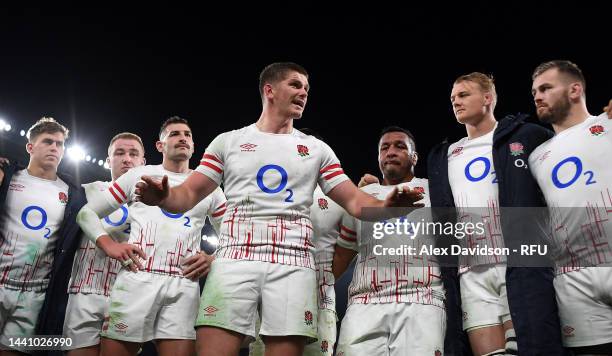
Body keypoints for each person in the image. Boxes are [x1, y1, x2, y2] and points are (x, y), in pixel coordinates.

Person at [134, 62, 424, 356]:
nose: (303, 93)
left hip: (292, 262)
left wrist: (386, 206)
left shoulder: (316, 150)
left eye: (307, 89)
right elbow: (186, 196)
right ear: (269, 90)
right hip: (235, 257)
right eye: (295, 85)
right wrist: (163, 197)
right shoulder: (229, 142)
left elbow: (353, 200)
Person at [427, 73, 565, 355]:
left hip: (516, 264)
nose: (456, 101)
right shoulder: (445, 154)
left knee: (530, 347)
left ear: (488, 98)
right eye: (453, 98)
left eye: (464, 95)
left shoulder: (526, 136)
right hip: (470, 272)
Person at [76, 117, 226, 356]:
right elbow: (86, 213)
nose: (182, 138)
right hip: (138, 278)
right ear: (160, 145)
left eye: (187, 134)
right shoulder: (140, 174)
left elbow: (233, 235)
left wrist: (213, 259)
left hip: (184, 284)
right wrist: (110, 246)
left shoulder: (210, 188)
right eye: (175, 134)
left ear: (194, 145)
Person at [333, 126, 446, 355]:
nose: (391, 151)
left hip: (422, 299)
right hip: (364, 302)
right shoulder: (361, 197)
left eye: (400, 146)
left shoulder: (436, 191)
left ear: (414, 157)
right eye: (384, 147)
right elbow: (342, 255)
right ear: (378, 157)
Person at [529, 60, 612, 355]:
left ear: (575, 90)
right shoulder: (536, 157)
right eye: (535, 91)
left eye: (546, 88)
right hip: (573, 278)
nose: (537, 96)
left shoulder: (608, 124)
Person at [0, 117, 86, 355]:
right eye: (48, 142)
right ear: (30, 147)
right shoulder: (8, 178)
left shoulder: (74, 194)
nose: (54, 148)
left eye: (59, 144)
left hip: (35, 292)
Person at [62, 132, 147, 356]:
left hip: (130, 293)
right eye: (119, 153)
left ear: (143, 162)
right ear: (109, 160)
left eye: (133, 154)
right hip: (85, 290)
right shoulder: (86, 191)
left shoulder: (155, 202)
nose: (127, 159)